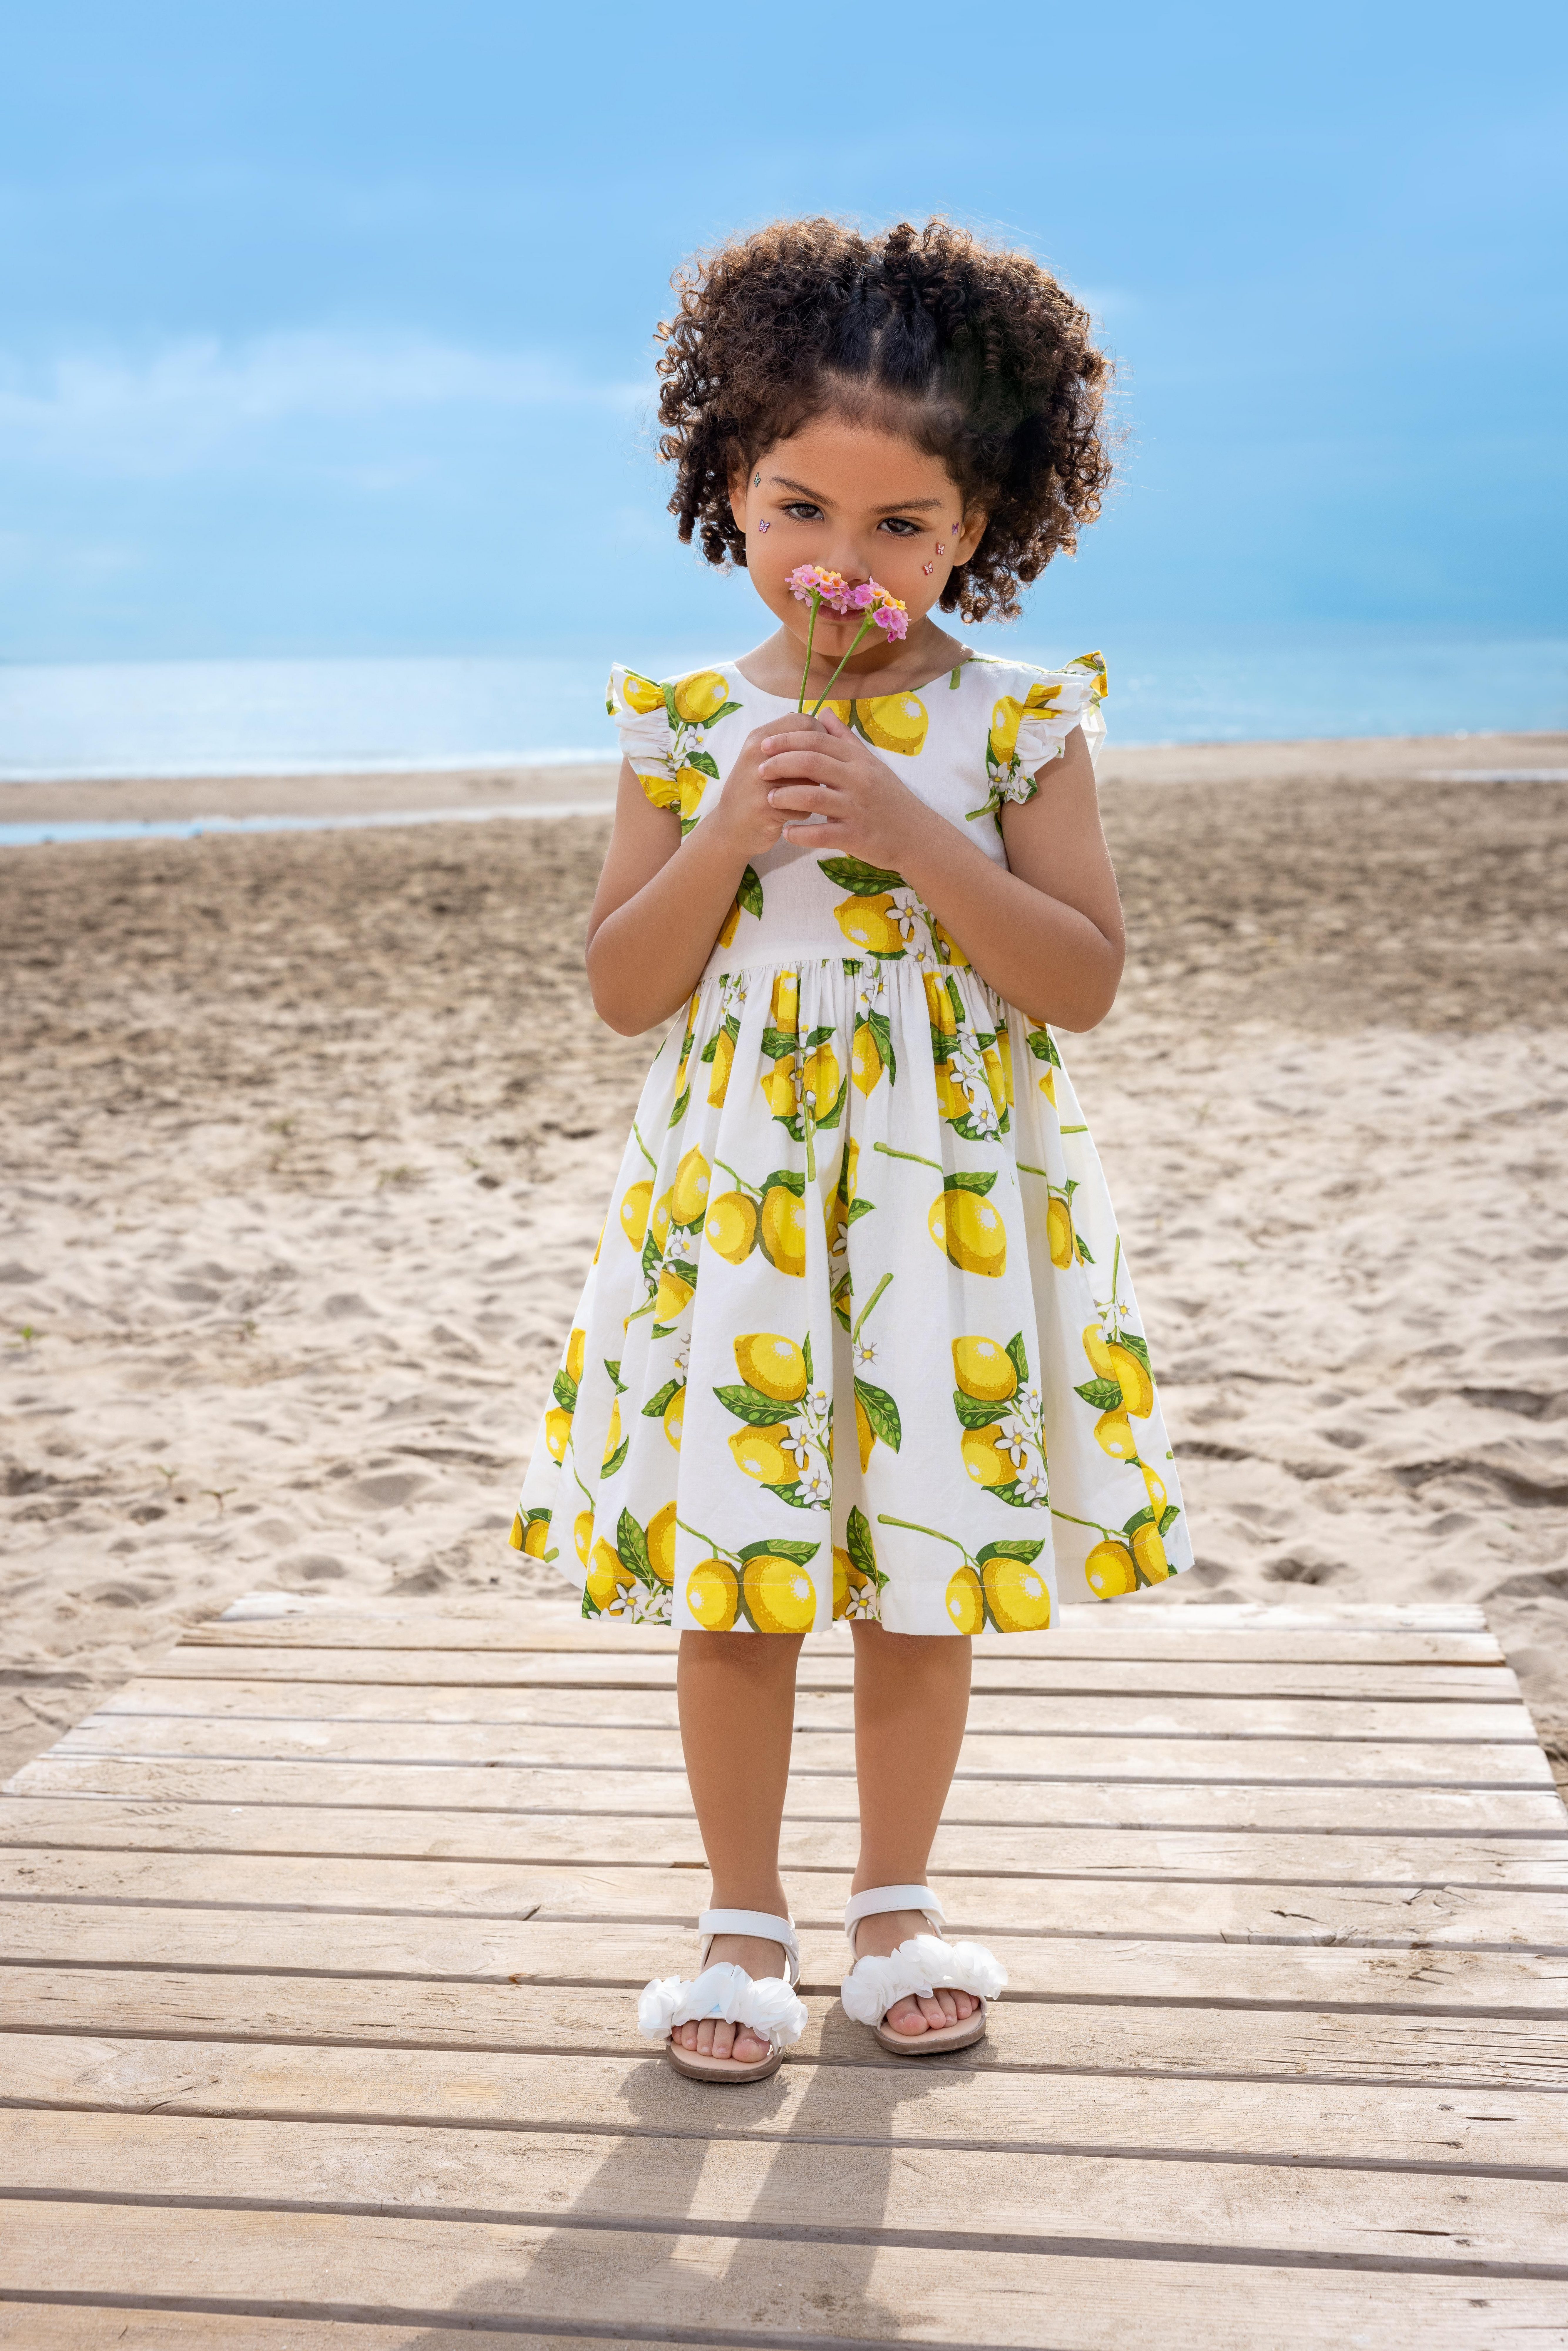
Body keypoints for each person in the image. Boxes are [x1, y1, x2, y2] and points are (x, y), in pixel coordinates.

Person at [510, 217, 1191, 2082]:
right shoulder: (679, 725)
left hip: (946, 1203)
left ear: (980, 528)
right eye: (802, 510)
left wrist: (906, 827)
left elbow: (1080, 982)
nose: (844, 565)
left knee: (920, 1568)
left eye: (900, 528)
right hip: (742, 1202)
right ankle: (740, 1920)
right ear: (730, 485)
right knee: (743, 1569)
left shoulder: (1016, 725)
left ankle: (895, 1907)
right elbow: (625, 989)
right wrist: (727, 834)